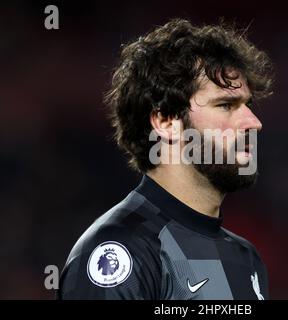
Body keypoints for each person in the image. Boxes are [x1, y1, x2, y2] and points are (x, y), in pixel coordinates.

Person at [58, 18, 273, 300]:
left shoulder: (246, 260)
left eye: (248, 105)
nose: (253, 122)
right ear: (167, 122)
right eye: (226, 105)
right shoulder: (120, 251)